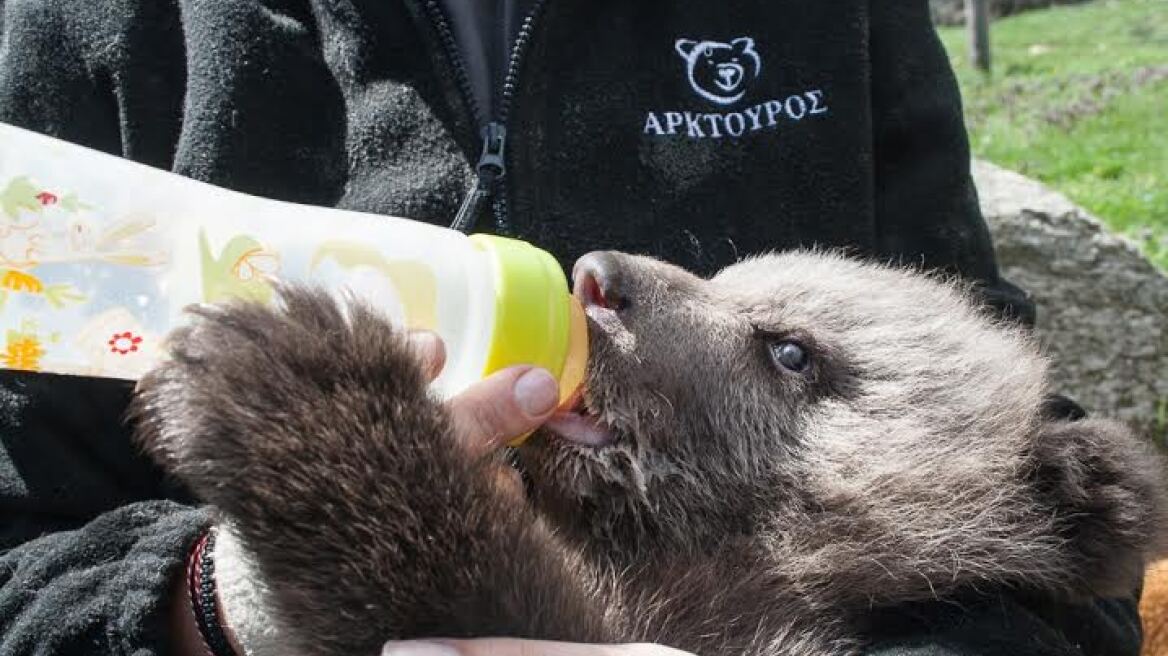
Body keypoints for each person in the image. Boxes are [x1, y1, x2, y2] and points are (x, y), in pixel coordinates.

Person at [0, 0, 1143, 654]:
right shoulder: (87, 34)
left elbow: (1024, 456)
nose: (604, 277)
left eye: (787, 356)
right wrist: (222, 598)